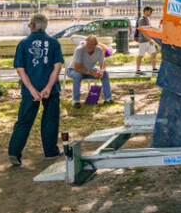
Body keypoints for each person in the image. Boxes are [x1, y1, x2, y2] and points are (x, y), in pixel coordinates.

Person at [8, 13, 64, 167]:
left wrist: (32, 90)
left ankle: (14, 151)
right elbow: (57, 67)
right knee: (50, 119)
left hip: (29, 90)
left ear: (31, 26)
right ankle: (50, 151)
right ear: (45, 26)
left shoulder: (23, 43)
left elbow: (20, 69)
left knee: (24, 121)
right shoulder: (54, 43)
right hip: (50, 89)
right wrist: (48, 87)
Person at [68, 36, 112, 107]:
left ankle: (108, 99)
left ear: (96, 45)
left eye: (92, 44)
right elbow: (77, 68)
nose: (90, 46)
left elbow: (103, 65)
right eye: (88, 44)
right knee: (77, 75)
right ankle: (76, 101)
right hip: (73, 70)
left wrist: (101, 72)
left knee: (105, 74)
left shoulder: (99, 50)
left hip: (90, 70)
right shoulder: (79, 50)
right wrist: (91, 73)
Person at [135, 6, 159, 75]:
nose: (150, 13)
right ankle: (138, 69)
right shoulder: (141, 20)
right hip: (143, 40)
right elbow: (142, 30)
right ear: (146, 11)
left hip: (149, 40)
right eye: (150, 11)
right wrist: (148, 39)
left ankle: (154, 68)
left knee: (153, 52)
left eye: (151, 12)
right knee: (140, 55)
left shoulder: (147, 19)